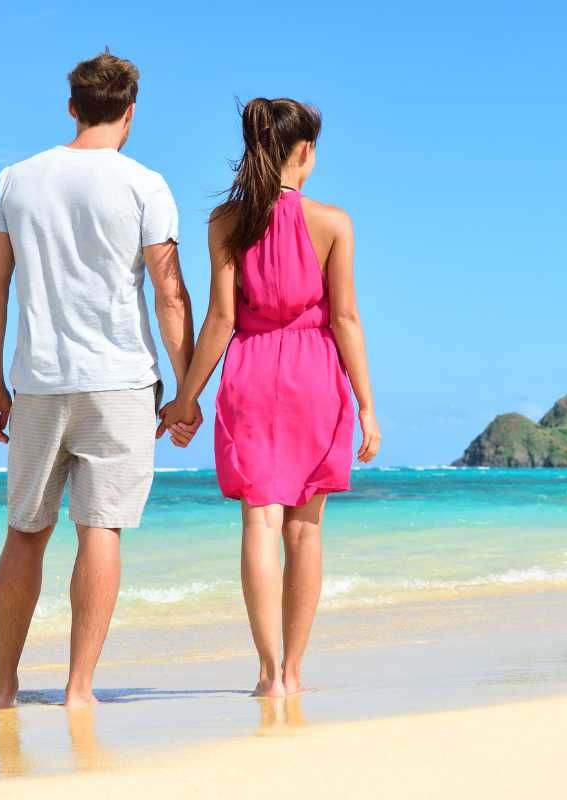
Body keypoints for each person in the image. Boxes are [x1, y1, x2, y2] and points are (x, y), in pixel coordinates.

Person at [0, 50, 197, 709]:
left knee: (25, 530)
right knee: (100, 528)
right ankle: (78, 690)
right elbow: (171, 295)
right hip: (121, 382)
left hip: (38, 380)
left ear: (72, 106)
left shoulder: (15, 180)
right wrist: (185, 394)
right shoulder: (145, 184)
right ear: (131, 112)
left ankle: (3, 686)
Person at [159, 98, 380, 697]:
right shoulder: (333, 223)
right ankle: (295, 671)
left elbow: (220, 321)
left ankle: (265, 674)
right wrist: (365, 403)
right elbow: (346, 320)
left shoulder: (226, 222)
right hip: (314, 374)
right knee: (305, 530)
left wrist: (185, 398)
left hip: (251, 372)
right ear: (304, 152)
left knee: (259, 521)